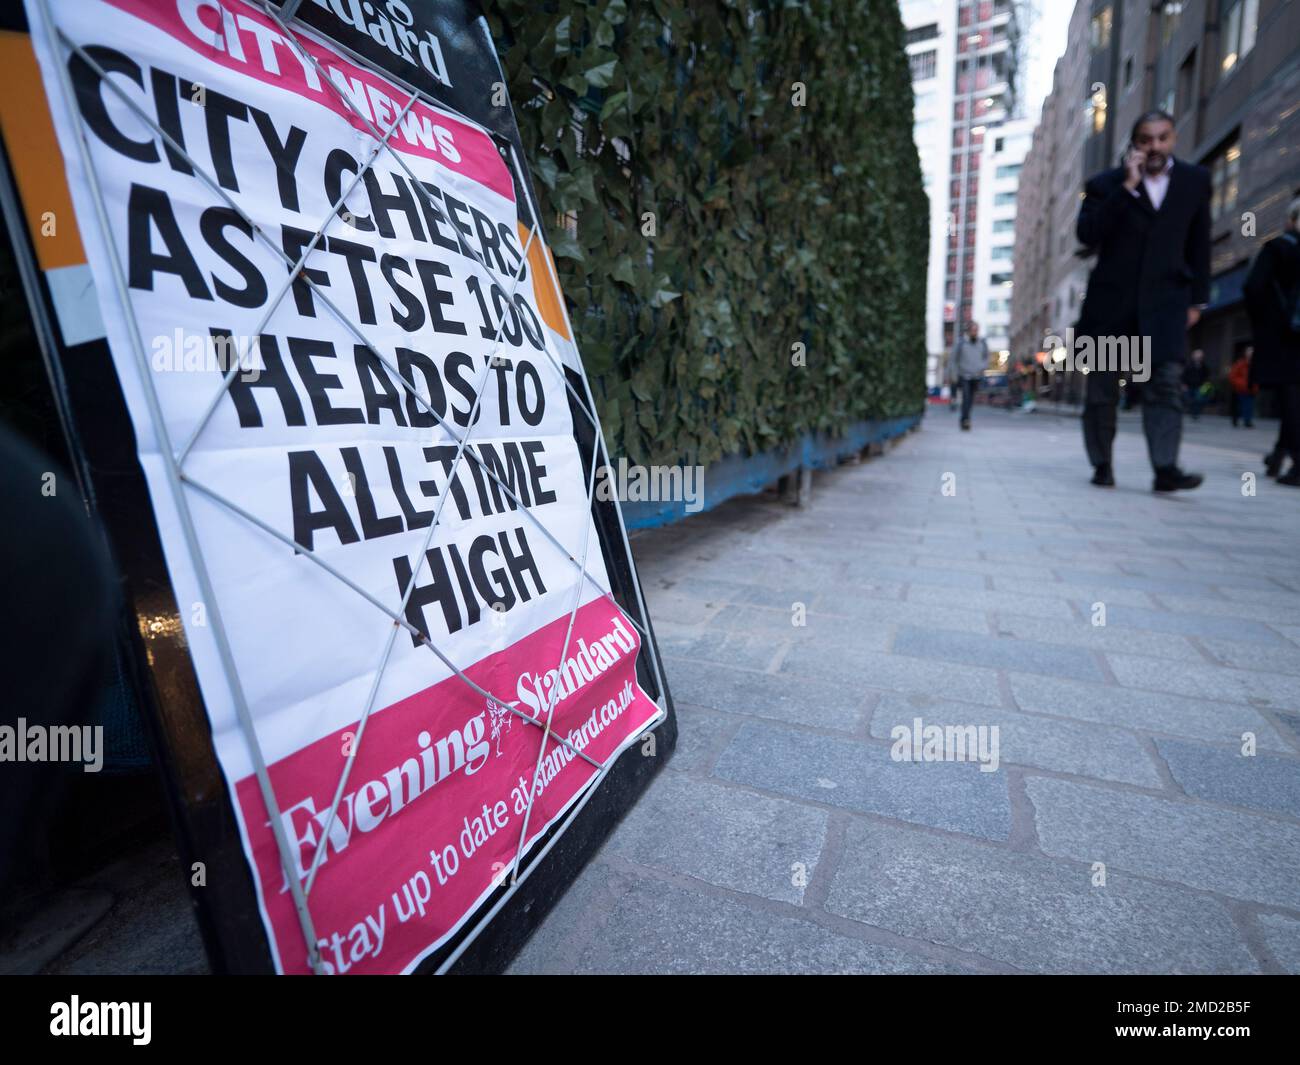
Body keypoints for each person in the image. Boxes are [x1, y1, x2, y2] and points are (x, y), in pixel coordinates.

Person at [1075, 110, 1210, 491]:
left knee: (1165, 386)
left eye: (1161, 138)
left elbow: (1199, 245)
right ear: (1134, 144)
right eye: (1145, 140)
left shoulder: (1195, 181)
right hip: (1110, 308)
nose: (1154, 147)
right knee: (1102, 392)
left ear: (1173, 139)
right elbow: (1088, 233)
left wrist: (1197, 301)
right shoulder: (1105, 185)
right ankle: (1102, 464)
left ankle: (1165, 468)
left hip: (1165, 307)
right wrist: (1127, 188)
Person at [1244, 192, 1300, 486]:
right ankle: (1279, 455)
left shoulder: (1278, 248)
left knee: (1290, 398)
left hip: (1283, 336)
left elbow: (1253, 287)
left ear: (1291, 220)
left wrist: (1264, 325)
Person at [948, 320, 988, 431]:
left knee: (970, 399)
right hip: (964, 375)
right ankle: (965, 420)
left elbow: (986, 358)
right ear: (968, 331)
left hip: (976, 376)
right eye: (973, 330)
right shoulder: (960, 343)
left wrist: (982, 367)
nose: (975, 332)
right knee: (966, 397)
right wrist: (953, 374)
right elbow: (953, 360)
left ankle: (965, 418)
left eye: (976, 330)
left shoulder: (982, 343)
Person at [1227, 343, 1258, 427]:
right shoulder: (1240, 363)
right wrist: (1241, 384)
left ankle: (1247, 421)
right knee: (1240, 406)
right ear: (1245, 352)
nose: (1251, 353)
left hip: (1252, 389)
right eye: (1249, 351)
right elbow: (1232, 376)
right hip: (1240, 389)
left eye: (1252, 351)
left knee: (1249, 406)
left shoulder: (1256, 364)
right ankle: (1236, 420)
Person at [1183, 349, 1209, 420]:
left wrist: (1205, 386)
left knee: (1198, 399)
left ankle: (1195, 413)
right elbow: (1184, 375)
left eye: (1200, 356)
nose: (1198, 357)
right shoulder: (1188, 365)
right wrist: (1184, 384)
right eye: (1197, 355)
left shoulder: (1204, 366)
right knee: (1189, 400)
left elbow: (1206, 376)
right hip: (1189, 385)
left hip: (1200, 386)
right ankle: (1192, 412)